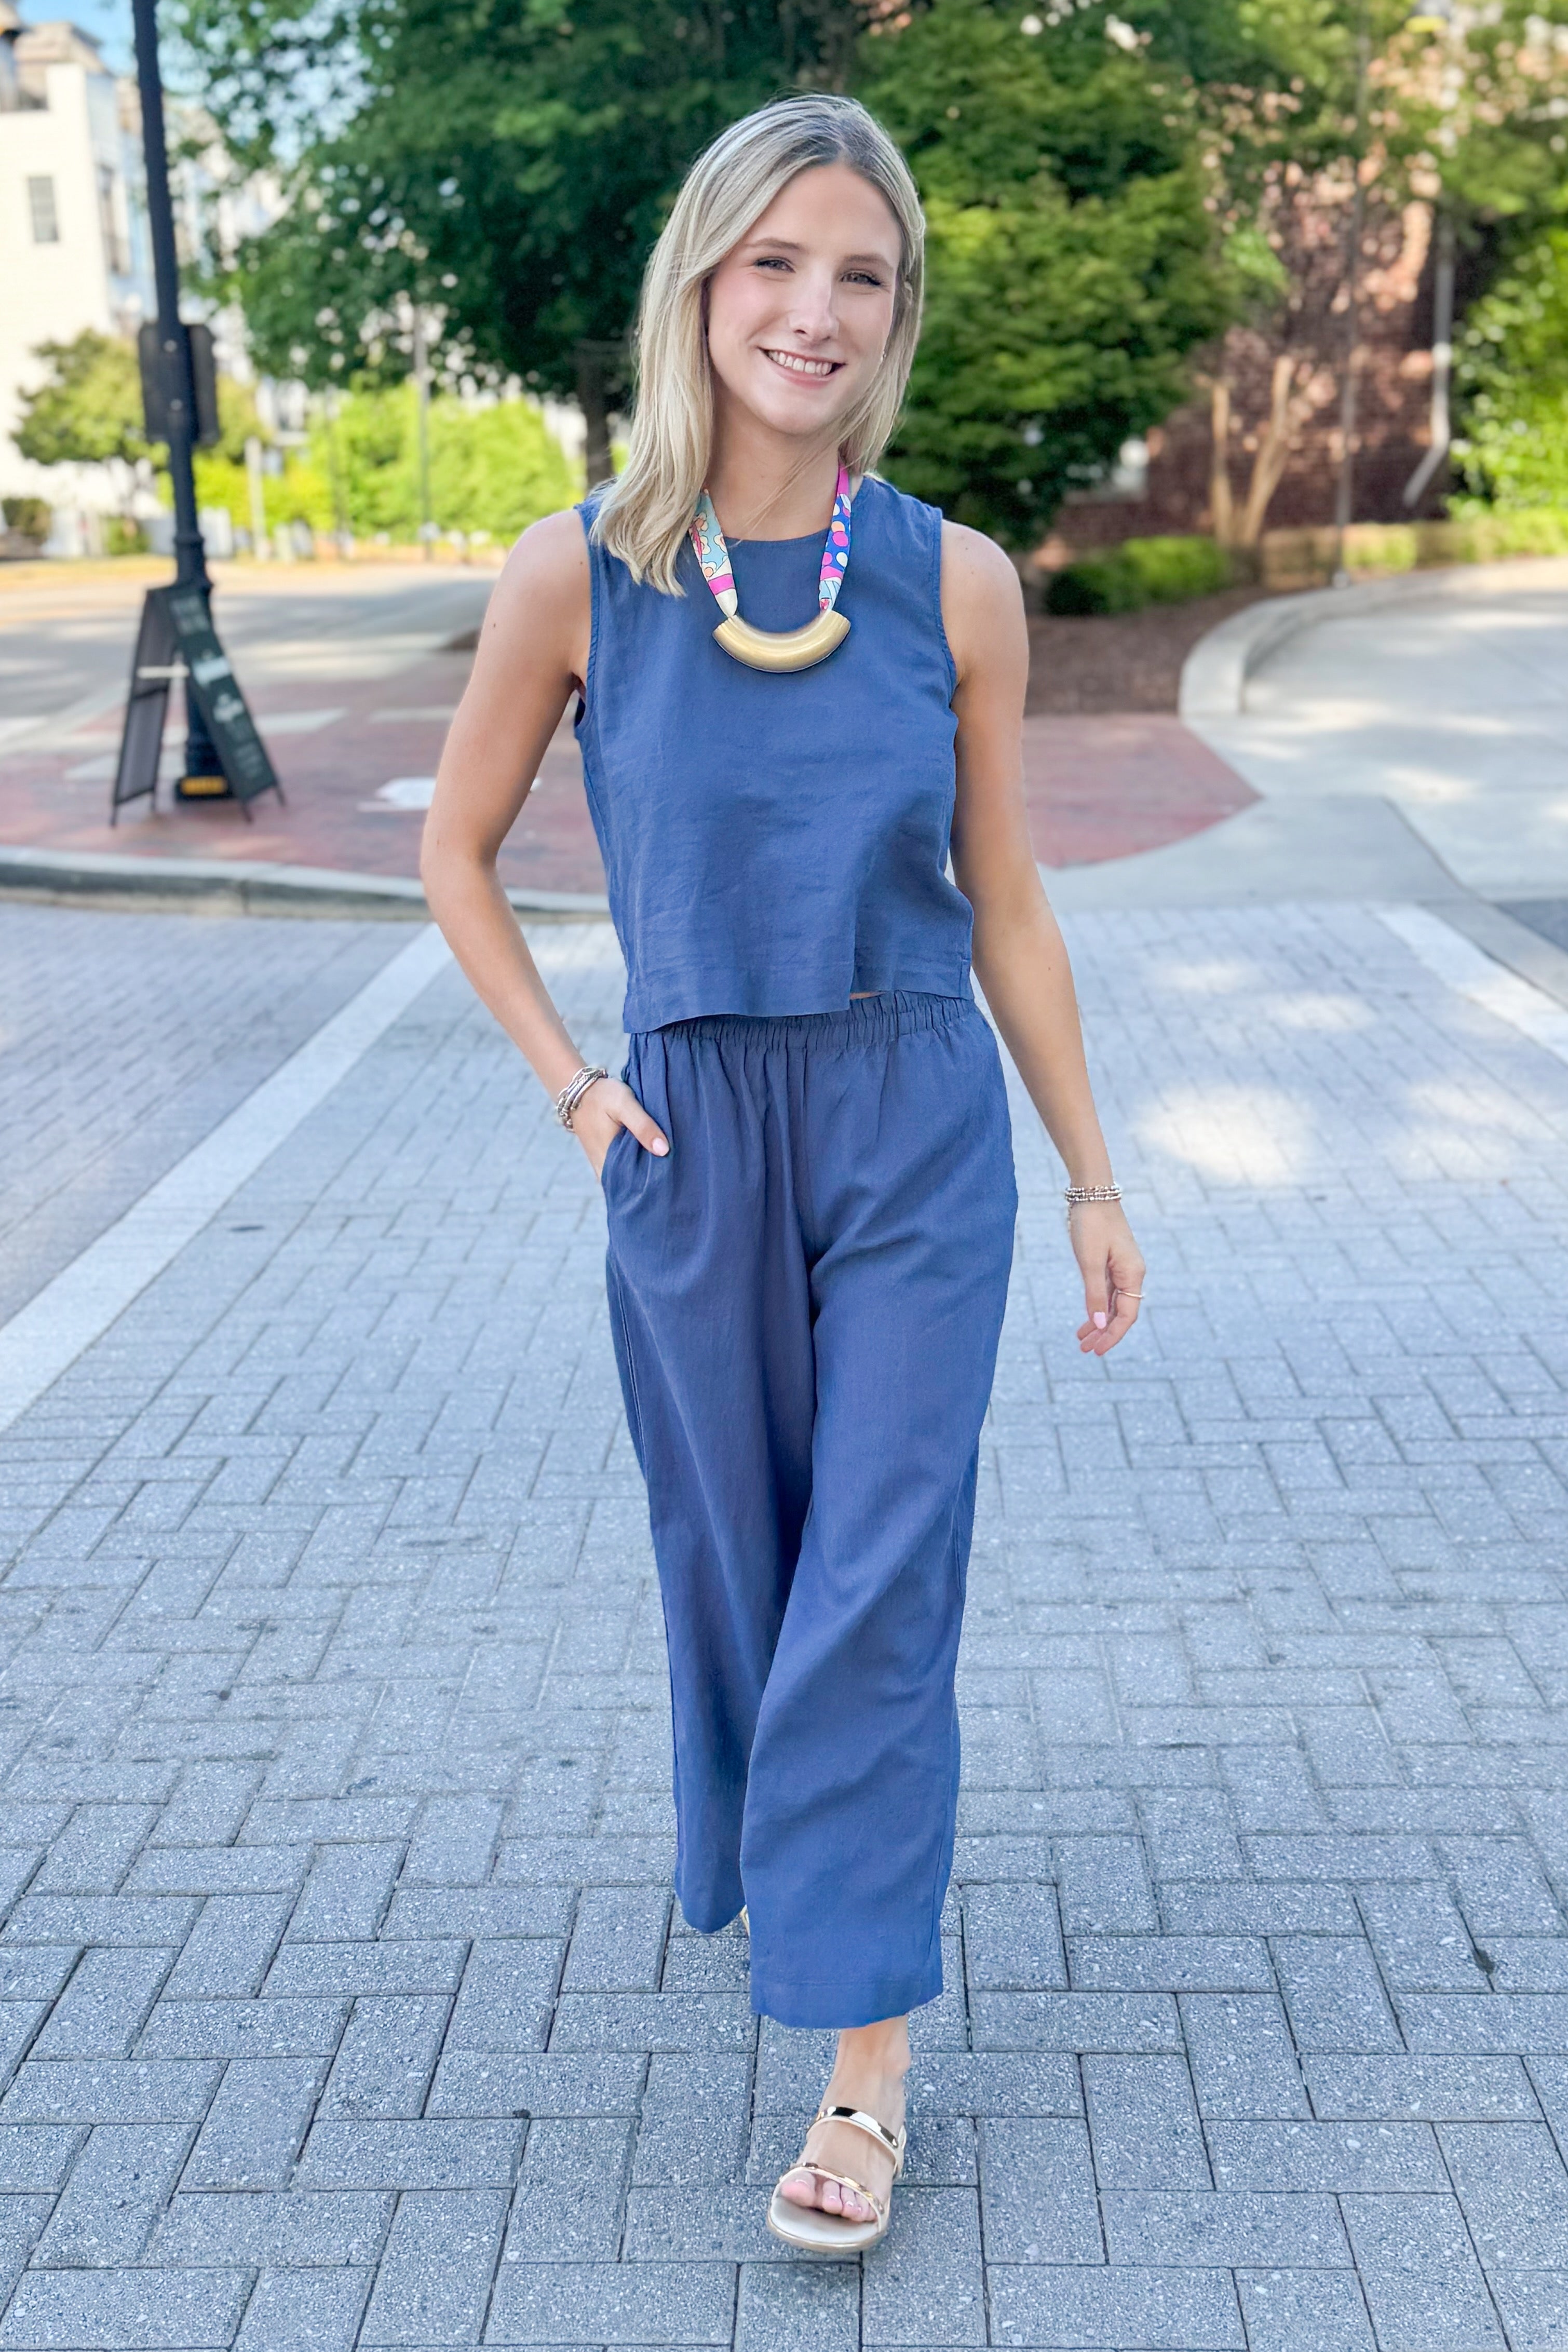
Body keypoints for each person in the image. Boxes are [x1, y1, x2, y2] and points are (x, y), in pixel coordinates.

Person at [421, 92, 1144, 2257]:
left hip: (915, 1121)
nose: (813, 311)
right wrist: (570, 1085)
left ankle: (860, 2062)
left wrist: (1090, 1173)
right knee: (738, 1568)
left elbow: (1006, 899)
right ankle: (783, 1870)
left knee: (874, 1585)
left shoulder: (959, 585)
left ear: (892, 315)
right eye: (775, 264)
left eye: (859, 276)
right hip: (690, 1132)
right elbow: (450, 852)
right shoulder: (579, 572)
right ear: (701, 282)